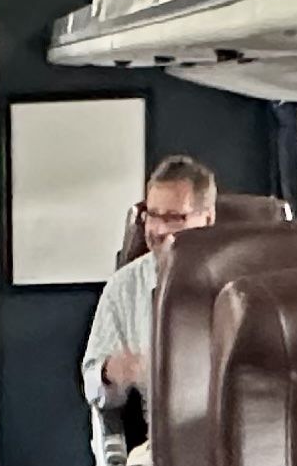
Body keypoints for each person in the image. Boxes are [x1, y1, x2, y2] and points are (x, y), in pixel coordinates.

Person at [79, 155, 221, 443]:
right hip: (164, 442)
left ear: (207, 218)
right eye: (153, 215)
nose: (158, 230)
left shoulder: (243, 280)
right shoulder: (125, 287)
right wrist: (110, 373)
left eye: (173, 218)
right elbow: (92, 384)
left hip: (235, 434)